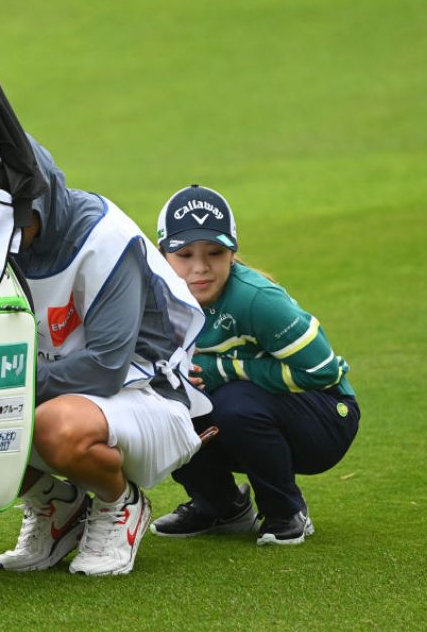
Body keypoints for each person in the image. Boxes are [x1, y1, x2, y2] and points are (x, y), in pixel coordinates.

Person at [0, 137, 211, 576]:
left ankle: (120, 503)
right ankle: (56, 507)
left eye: (18, 221)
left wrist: (7, 383)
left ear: (43, 202)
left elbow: (106, 366)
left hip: (149, 399)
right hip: (63, 395)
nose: (8, 234)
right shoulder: (0, 242)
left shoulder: (104, 237)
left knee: (51, 425)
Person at [150, 185, 360, 545]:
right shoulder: (155, 298)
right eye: (184, 254)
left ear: (232, 253)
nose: (200, 267)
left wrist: (226, 370)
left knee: (234, 401)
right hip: (252, 413)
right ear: (163, 256)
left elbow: (324, 372)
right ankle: (220, 506)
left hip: (326, 419)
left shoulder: (257, 298)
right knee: (164, 401)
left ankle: (285, 511)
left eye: (214, 252)